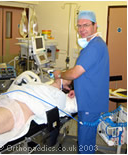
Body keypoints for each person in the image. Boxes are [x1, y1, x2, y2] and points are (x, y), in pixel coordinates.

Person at [54, 10, 109, 154]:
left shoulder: (95, 46)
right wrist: (76, 90)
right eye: (79, 26)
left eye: (86, 25)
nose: (82, 29)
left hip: (90, 102)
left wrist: (60, 74)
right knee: (88, 139)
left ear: (95, 25)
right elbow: (89, 74)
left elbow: (75, 72)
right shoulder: (95, 45)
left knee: (85, 142)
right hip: (90, 98)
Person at [0, 78, 73, 139]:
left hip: (17, 109)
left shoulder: (61, 97)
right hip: (5, 97)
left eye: (67, 79)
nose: (61, 76)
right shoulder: (45, 85)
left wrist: (59, 83)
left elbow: (57, 103)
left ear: (68, 88)